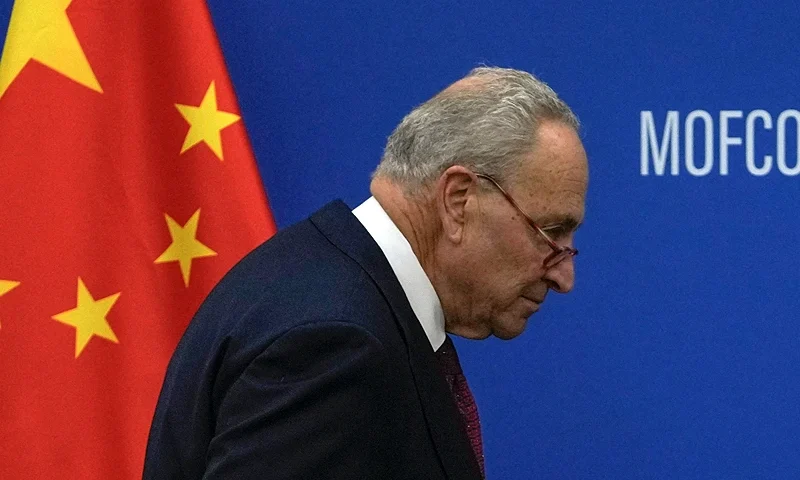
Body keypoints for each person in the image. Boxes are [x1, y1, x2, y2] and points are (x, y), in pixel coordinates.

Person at [143, 66, 588, 480]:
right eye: (550, 232)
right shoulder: (336, 342)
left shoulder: (316, 280)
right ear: (458, 199)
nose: (563, 276)